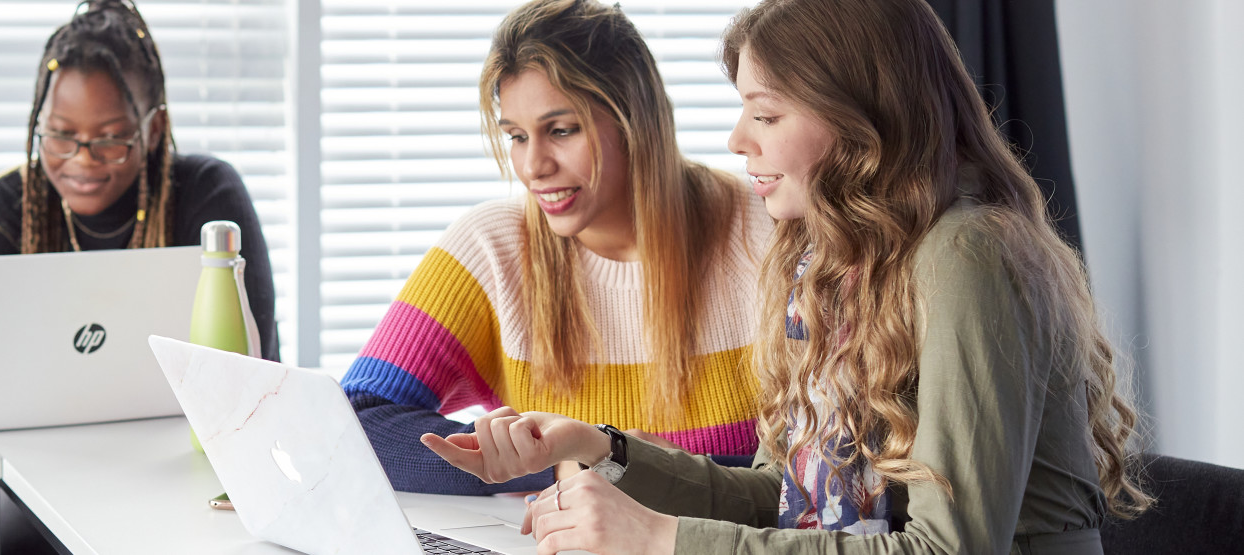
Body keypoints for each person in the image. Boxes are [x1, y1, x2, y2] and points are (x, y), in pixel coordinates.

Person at [422, 0, 1152, 552]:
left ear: (858, 121)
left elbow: (944, 548)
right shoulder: (827, 266)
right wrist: (599, 449)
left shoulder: (966, 256)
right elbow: (780, 494)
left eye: (763, 114)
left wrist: (660, 539)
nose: (738, 140)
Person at [340, 0, 774, 496]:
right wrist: (562, 464)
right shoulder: (490, 248)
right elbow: (352, 422)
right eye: (517, 137)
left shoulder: (766, 228)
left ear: (636, 119)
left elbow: (824, 471)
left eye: (561, 130)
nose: (533, 166)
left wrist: (633, 466)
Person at [0, 0, 278, 360]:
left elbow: (252, 367)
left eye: (110, 139)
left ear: (154, 130)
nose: (83, 158)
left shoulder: (207, 192)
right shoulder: (8, 203)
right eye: (60, 136)